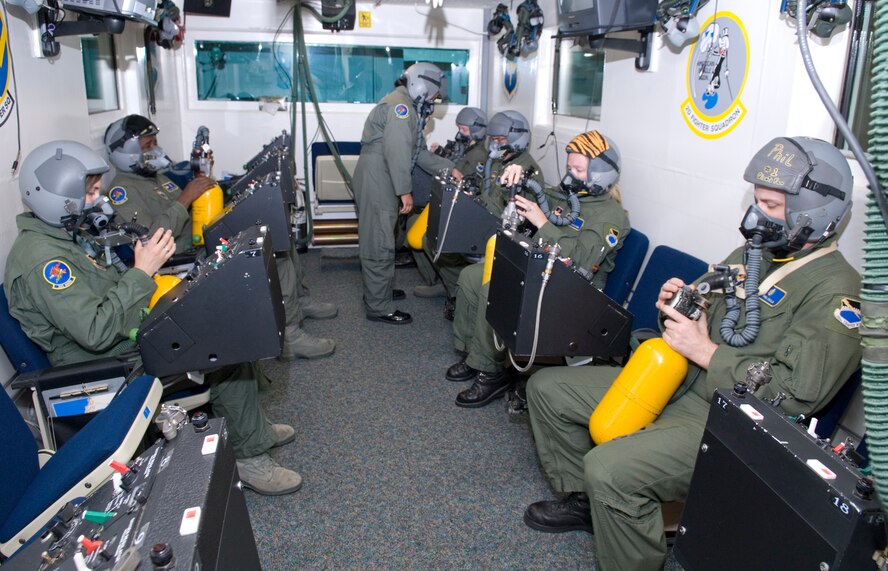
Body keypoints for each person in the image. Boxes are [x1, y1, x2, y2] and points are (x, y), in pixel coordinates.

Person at [523, 136, 862, 570]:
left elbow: (794, 395)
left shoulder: (837, 292)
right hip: (678, 379)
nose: (757, 216)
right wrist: (679, 302)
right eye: (757, 202)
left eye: (772, 207)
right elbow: (702, 308)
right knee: (548, 390)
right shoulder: (751, 253)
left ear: (816, 214)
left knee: (610, 469)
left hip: (729, 418)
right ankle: (589, 503)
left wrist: (705, 352)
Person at [4, 140, 303, 496]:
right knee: (225, 351)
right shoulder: (43, 261)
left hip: (127, 333)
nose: (98, 198)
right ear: (59, 197)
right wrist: (142, 273)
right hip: (107, 364)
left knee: (225, 319)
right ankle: (249, 457)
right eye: (90, 191)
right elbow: (96, 332)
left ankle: (254, 430)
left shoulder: (63, 240)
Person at [102, 115, 336, 360]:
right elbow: (149, 239)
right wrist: (186, 198)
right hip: (183, 257)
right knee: (274, 254)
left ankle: (299, 301)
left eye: (154, 144)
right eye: (147, 146)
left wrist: (203, 180)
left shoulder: (158, 178)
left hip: (201, 237)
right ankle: (288, 334)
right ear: (126, 152)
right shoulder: (123, 190)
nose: (155, 150)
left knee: (276, 229)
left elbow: (198, 207)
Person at [447, 130, 630, 408]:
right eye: (569, 168)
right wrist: (520, 172)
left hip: (575, 294)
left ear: (600, 173)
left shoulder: (610, 217)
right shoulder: (569, 196)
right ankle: (474, 355)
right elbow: (541, 191)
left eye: (579, 170)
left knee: (492, 289)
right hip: (544, 273)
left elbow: (579, 262)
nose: (570, 176)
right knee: (471, 277)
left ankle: (491, 373)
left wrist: (543, 222)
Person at [352, 62, 461, 325]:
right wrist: (405, 191)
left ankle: (380, 291)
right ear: (423, 85)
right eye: (435, 96)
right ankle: (379, 306)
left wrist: (450, 168)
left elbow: (419, 153)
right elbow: (398, 151)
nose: (434, 101)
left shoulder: (407, 107)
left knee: (384, 236)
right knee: (379, 241)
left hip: (381, 172)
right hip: (381, 173)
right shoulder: (401, 109)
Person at [412, 107, 490, 314]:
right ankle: (446, 283)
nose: (461, 133)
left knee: (435, 242)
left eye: (464, 129)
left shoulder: (479, 154)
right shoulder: (468, 147)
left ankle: (455, 290)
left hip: (467, 209)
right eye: (460, 129)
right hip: (455, 202)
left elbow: (472, 182)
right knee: (428, 239)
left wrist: (456, 174)